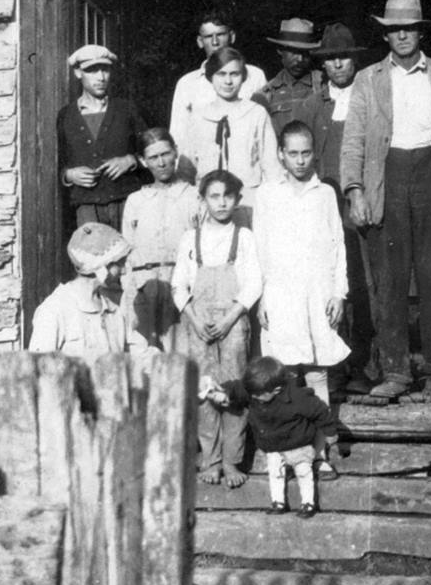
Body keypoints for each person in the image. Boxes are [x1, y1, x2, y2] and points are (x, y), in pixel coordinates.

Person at [341, 0, 431, 400]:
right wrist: (355, 189)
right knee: (390, 279)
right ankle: (396, 371)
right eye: (394, 29)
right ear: (385, 35)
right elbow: (354, 140)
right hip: (388, 176)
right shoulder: (369, 80)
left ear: (420, 32)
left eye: (409, 29)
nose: (402, 36)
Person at [253, 120, 349, 478]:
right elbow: (260, 247)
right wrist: (261, 296)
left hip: (317, 291)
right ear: (280, 154)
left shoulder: (324, 193)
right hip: (280, 291)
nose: (300, 160)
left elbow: (337, 244)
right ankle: (292, 450)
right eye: (292, 153)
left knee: (317, 369)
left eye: (306, 152)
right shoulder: (267, 194)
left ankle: (322, 449)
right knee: (286, 372)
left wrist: (338, 292)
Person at [172, 169, 262, 487]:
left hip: (233, 321)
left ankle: (232, 460)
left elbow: (253, 284)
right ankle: (209, 459)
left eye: (228, 196)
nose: (221, 203)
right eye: (214, 196)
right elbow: (178, 286)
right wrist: (195, 320)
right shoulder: (190, 239)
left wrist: (229, 319)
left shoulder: (244, 237)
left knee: (233, 389)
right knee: (203, 390)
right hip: (197, 323)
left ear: (237, 199)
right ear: (204, 199)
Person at [299, 22, 374, 389]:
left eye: (343, 57)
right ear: (322, 65)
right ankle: (335, 365)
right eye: (330, 59)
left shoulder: (369, 96)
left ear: (354, 60)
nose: (338, 65)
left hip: (362, 205)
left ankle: (365, 364)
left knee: (366, 286)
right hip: (326, 212)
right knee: (330, 286)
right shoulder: (313, 104)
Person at [222, 356, 340, 518]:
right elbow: (237, 388)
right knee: (275, 473)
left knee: (304, 474)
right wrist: (222, 390)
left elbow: (320, 411)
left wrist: (330, 432)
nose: (254, 398)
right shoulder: (256, 390)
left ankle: (308, 503)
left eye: (258, 395)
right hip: (273, 446)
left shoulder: (299, 397)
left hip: (298, 444)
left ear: (276, 390)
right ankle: (278, 502)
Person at [121, 128, 200, 350]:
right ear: (143, 162)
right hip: (144, 288)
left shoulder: (193, 196)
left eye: (165, 154)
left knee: (181, 356)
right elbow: (127, 253)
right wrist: (130, 291)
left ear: (175, 153)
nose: (161, 162)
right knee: (146, 356)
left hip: (181, 286)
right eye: (153, 157)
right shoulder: (136, 201)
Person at [58, 44, 148, 232]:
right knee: (93, 259)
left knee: (132, 258)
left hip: (128, 203)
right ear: (78, 72)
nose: (100, 77)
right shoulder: (66, 116)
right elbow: (59, 163)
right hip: (86, 207)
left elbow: (153, 152)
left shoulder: (126, 110)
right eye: (91, 70)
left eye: (105, 69)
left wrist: (131, 161)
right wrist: (69, 175)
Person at [29, 222, 148, 359]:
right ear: (100, 266)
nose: (125, 270)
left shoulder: (114, 307)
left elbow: (139, 354)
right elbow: (39, 369)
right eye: (119, 263)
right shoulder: (54, 310)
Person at [169, 9, 266, 177]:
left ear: (232, 36)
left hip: (247, 176)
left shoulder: (254, 76)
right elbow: (178, 137)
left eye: (220, 34)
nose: (215, 42)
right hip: (205, 176)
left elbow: (264, 133)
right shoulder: (187, 84)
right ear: (200, 41)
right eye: (208, 37)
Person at [189, 47, 280, 214]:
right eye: (221, 74)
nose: (228, 81)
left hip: (247, 202)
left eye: (234, 74)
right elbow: (188, 166)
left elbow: (272, 166)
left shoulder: (256, 113)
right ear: (211, 77)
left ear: (243, 77)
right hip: (208, 205)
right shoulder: (198, 117)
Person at [260, 18, 322, 138]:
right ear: (280, 50)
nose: (299, 59)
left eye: (304, 53)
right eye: (293, 52)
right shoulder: (267, 95)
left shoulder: (323, 86)